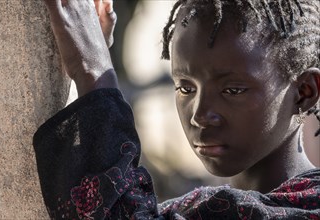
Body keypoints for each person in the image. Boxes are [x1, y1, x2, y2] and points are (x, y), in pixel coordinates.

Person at [34, 0, 320, 219]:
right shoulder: (186, 208)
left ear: (305, 91)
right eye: (185, 88)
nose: (199, 115)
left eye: (232, 90)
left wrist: (94, 74)